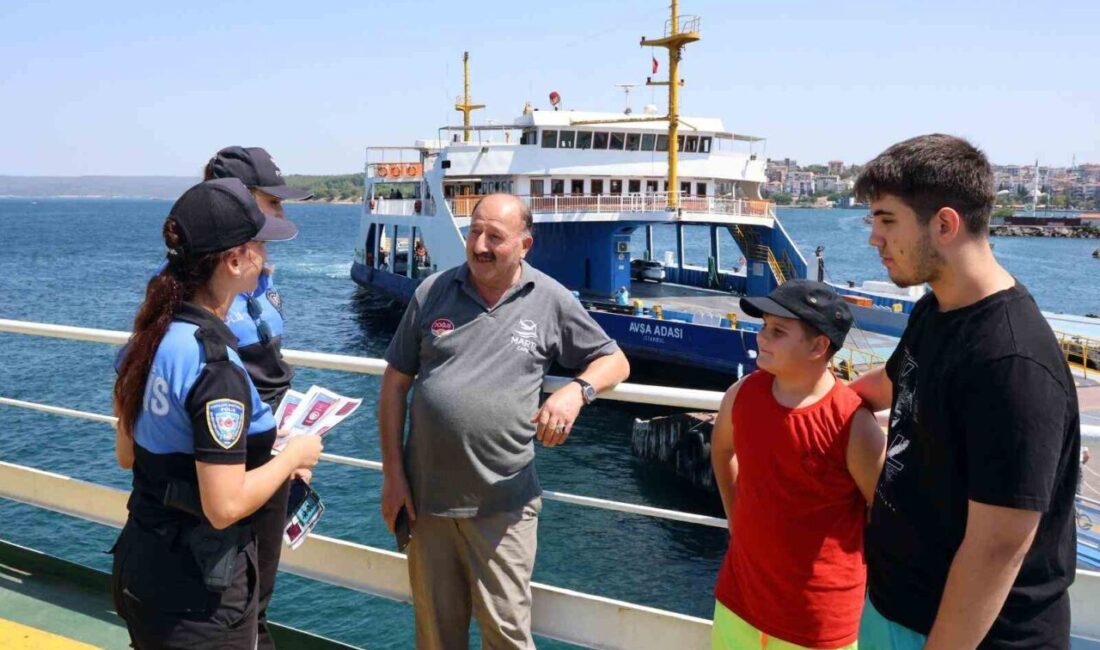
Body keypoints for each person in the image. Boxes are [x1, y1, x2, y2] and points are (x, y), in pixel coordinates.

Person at [850, 134, 1081, 649]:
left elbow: (998, 545)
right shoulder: (934, 310)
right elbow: (889, 386)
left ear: (945, 224)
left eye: (886, 220)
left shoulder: (1011, 360)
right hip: (893, 606)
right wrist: (803, 401)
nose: (874, 238)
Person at [379, 193, 630, 649]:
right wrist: (394, 477)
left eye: (495, 236)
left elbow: (614, 361)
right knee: (435, 637)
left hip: (504, 507)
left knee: (507, 636)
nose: (479, 245)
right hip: (427, 503)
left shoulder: (549, 298)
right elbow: (394, 384)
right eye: (474, 231)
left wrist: (576, 391)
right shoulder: (431, 291)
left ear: (525, 244)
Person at [110, 178, 323, 649]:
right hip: (197, 597)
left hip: (142, 568)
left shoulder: (146, 342)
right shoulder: (216, 367)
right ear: (233, 260)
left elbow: (129, 454)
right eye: (260, 247)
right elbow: (222, 507)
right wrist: (291, 457)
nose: (266, 258)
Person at [710, 279, 885, 650]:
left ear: (819, 346)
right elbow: (722, 449)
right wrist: (734, 514)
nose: (761, 337)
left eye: (778, 331)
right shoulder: (743, 395)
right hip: (739, 601)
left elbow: (885, 512)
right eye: (763, 327)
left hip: (817, 622)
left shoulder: (852, 424)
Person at [204, 146, 312, 650]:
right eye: (274, 203)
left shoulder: (261, 277)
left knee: (257, 593)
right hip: (229, 463)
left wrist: (286, 445)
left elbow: (265, 374)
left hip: (266, 450)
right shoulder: (203, 293)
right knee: (233, 597)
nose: (283, 215)